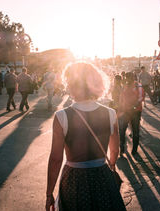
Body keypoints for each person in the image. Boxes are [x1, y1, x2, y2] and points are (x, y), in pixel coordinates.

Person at [45, 62, 125, 210]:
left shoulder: (62, 116)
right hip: (102, 174)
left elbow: (56, 159)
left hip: (74, 179)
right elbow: (114, 150)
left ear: (71, 84)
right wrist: (111, 166)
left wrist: (49, 193)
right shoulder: (110, 113)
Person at [118, 72, 143, 156]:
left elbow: (140, 97)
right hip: (125, 112)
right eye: (127, 77)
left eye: (130, 77)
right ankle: (121, 148)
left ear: (133, 77)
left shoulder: (138, 85)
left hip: (135, 111)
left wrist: (133, 107)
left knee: (135, 131)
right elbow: (121, 98)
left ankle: (134, 150)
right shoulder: (124, 86)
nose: (128, 79)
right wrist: (121, 109)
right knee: (122, 130)